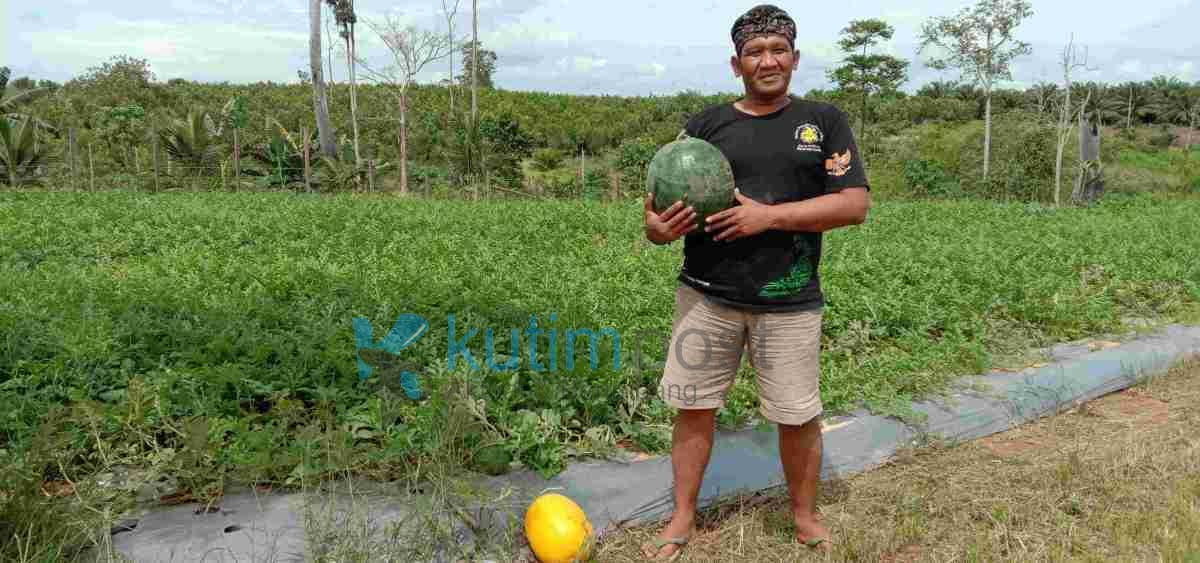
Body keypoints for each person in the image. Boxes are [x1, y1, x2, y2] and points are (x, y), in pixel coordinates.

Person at [641, 4, 870, 559]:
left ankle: (804, 517)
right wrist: (656, 229)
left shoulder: (824, 121)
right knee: (693, 407)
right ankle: (681, 517)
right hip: (706, 296)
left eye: (778, 50)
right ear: (736, 63)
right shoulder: (704, 125)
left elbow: (854, 204)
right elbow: (654, 209)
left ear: (794, 57)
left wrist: (766, 217)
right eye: (754, 52)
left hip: (789, 300)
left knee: (797, 415)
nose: (767, 61)